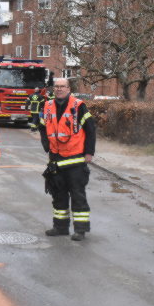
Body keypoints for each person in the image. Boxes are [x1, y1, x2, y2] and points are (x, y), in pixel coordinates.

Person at [38, 78, 96, 241]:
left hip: (75, 159)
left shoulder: (78, 106)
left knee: (78, 195)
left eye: (62, 86)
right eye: (56, 86)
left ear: (69, 88)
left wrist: (89, 152)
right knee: (58, 195)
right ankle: (60, 227)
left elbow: (90, 129)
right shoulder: (47, 106)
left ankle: (80, 230)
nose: (59, 89)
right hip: (56, 159)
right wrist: (46, 145)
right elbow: (42, 126)